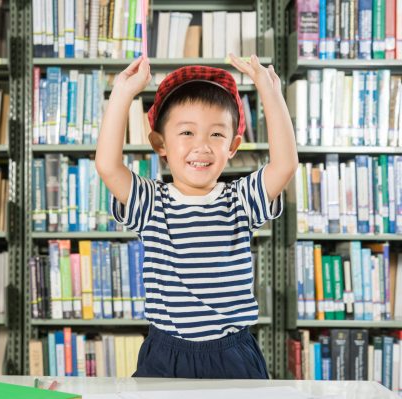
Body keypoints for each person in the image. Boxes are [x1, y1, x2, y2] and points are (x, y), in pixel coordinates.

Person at [95, 54, 298, 379]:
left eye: (216, 135)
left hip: (233, 354)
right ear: (159, 143)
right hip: (166, 353)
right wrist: (122, 93)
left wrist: (269, 92)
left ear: (233, 146)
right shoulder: (150, 202)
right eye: (187, 133)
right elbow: (107, 166)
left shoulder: (241, 199)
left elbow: (285, 165)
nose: (201, 145)